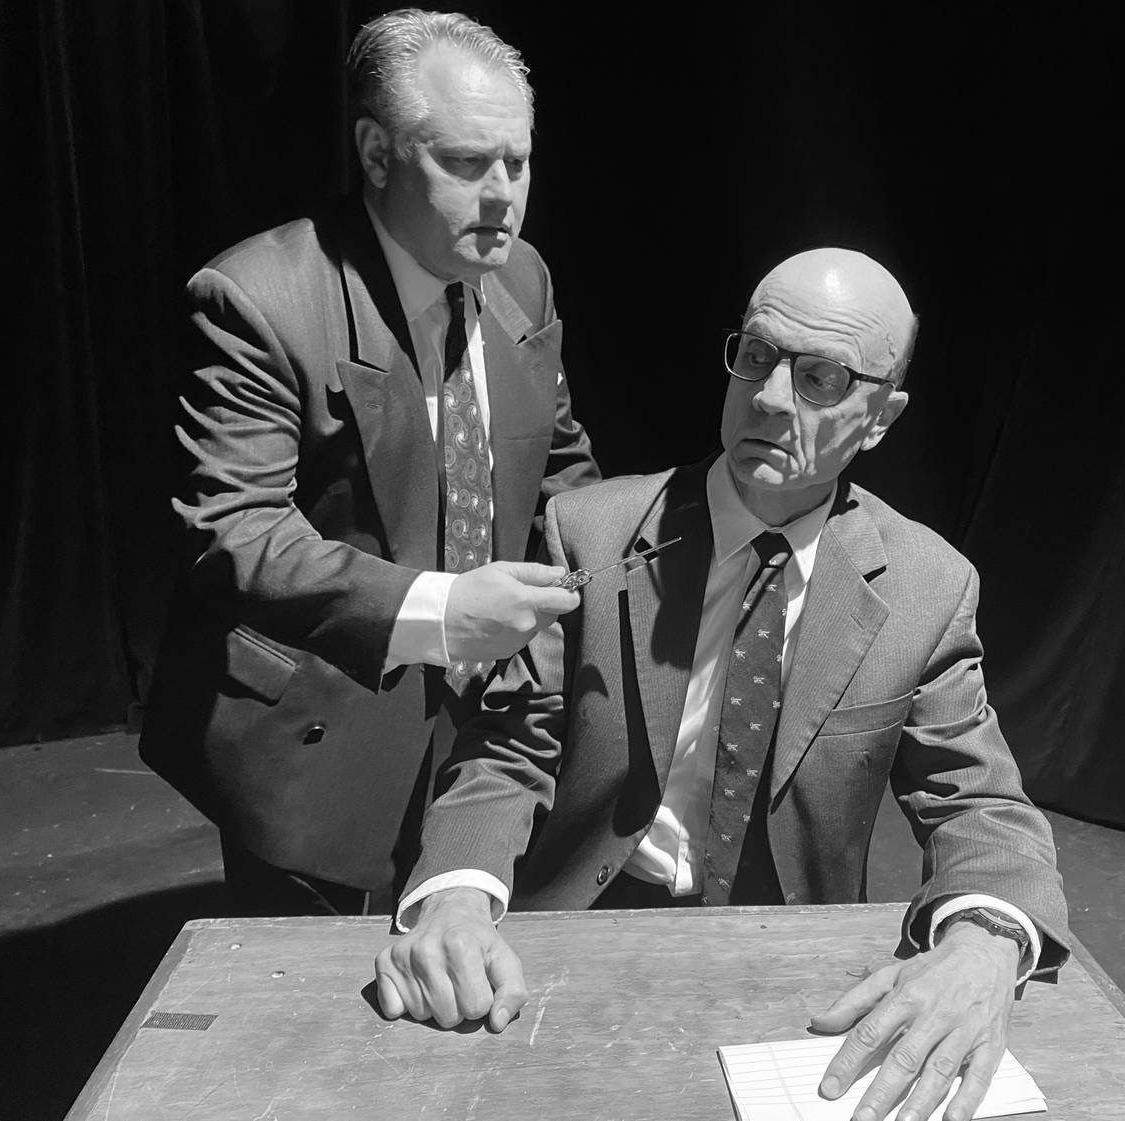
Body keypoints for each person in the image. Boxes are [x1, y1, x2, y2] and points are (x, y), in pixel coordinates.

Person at [376, 249, 1071, 1121]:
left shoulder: (925, 589)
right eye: (757, 356)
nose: (772, 398)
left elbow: (980, 805)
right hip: (575, 933)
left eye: (822, 377)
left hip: (792, 963)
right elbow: (509, 747)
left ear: (883, 416)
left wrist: (984, 940)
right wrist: (456, 894)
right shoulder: (592, 533)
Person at [139, 9, 599, 917]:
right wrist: (441, 611)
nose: (504, 194)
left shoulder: (523, 274)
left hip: (498, 719)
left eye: (519, 159)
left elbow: (560, 459)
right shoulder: (259, 299)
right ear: (378, 154)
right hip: (323, 724)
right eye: (467, 164)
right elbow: (232, 533)